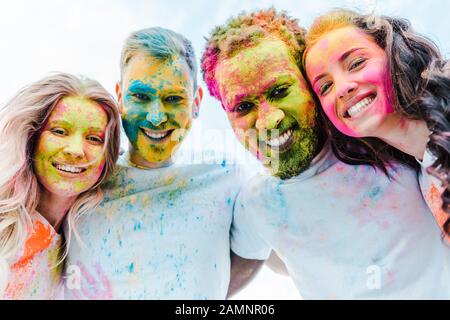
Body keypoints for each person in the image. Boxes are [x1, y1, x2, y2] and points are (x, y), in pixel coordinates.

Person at [201, 8, 450, 299]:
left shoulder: (385, 146)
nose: (268, 120)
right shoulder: (255, 206)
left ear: (307, 87)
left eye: (280, 90)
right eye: (243, 107)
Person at [64, 27, 261, 300]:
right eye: (141, 97)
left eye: (173, 99)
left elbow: (259, 254)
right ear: (120, 97)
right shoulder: (82, 181)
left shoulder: (226, 177)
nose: (156, 117)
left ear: (196, 102)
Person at [303, 9, 450, 238]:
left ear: (394, 51)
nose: (342, 88)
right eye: (325, 87)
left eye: (356, 63)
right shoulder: (421, 184)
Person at [0, 73, 120, 299]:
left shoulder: (89, 241)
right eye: (59, 131)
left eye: (94, 138)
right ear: (31, 138)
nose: (76, 150)